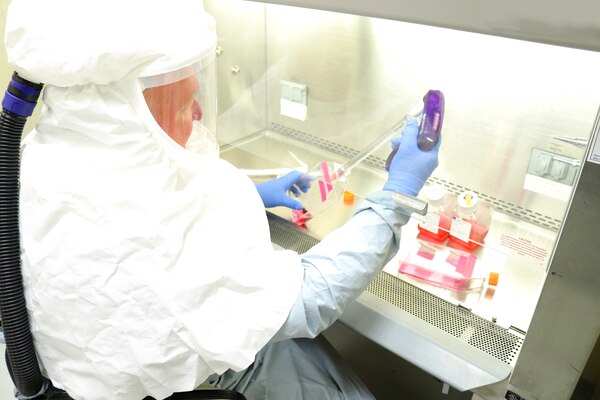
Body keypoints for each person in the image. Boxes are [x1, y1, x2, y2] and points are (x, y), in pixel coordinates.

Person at [6, 1, 440, 399]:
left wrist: (254, 193)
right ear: (130, 112)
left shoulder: (48, 162)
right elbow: (309, 300)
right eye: (184, 107)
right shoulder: (140, 234)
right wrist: (396, 197)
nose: (197, 115)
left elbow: (146, 210)